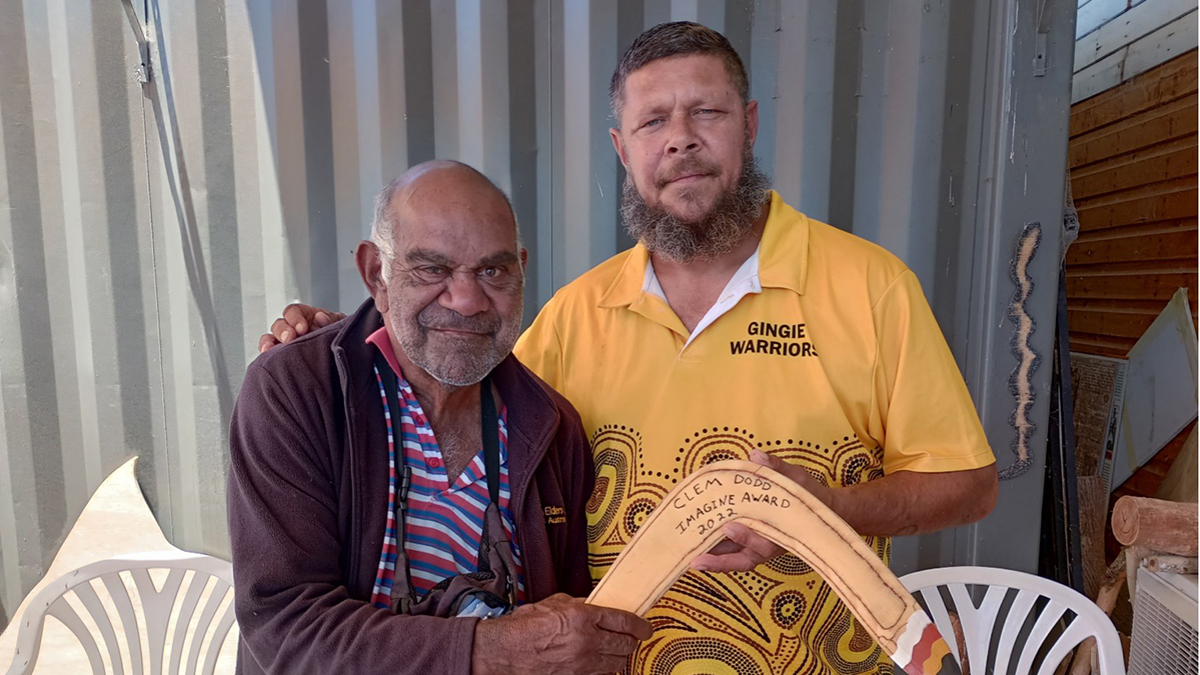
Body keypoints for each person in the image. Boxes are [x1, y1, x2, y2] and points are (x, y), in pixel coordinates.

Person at [260, 23, 998, 674]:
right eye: (652, 121)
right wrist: (349, 335)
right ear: (623, 148)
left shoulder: (870, 288)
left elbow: (969, 483)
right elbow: (454, 375)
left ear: (747, 125)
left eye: (705, 111)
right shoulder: (576, 313)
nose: (680, 137)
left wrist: (824, 508)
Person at [228, 160, 651, 675]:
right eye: (432, 269)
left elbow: (568, 633)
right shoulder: (298, 392)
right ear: (375, 275)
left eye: (492, 271)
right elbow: (287, 626)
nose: (468, 300)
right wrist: (496, 650)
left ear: (521, 270)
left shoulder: (551, 427)